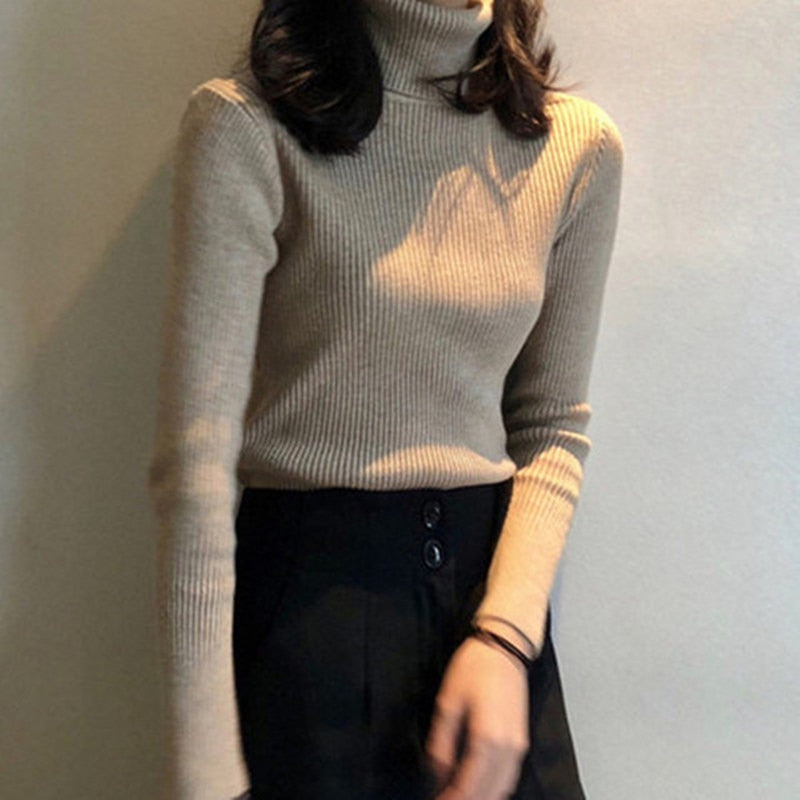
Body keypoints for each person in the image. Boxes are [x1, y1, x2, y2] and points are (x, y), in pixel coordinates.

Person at [146, 0, 624, 798]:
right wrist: (206, 778)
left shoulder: (574, 147)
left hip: (493, 618)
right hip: (311, 625)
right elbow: (195, 470)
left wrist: (506, 636)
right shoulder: (247, 129)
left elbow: (550, 425)